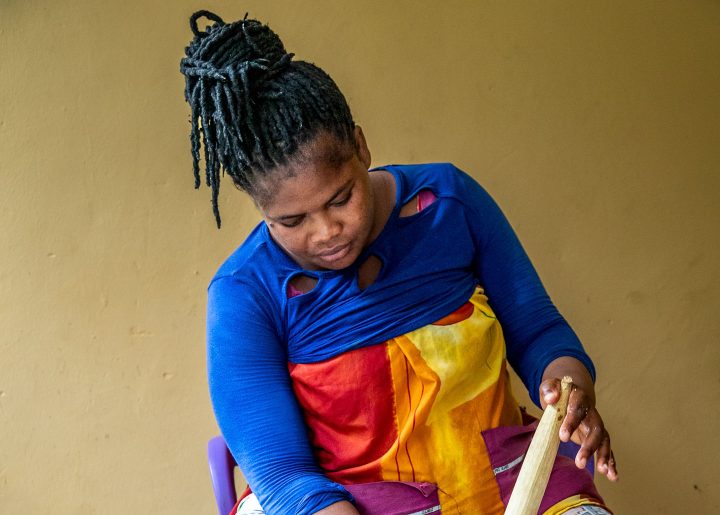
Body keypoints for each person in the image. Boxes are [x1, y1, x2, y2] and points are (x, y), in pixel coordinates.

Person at [180, 10, 618, 515]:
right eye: (292, 221)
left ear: (361, 146)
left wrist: (570, 390)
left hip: (503, 479)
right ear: (259, 206)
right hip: (343, 502)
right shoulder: (245, 294)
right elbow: (282, 475)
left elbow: (540, 332)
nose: (327, 233)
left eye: (341, 198)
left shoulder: (449, 205)